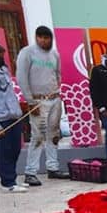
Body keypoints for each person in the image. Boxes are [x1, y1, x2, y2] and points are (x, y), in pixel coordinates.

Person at [18, 25, 69, 184]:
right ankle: (30, 172)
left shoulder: (55, 54)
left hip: (55, 99)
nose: (44, 40)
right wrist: (30, 101)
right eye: (40, 37)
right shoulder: (27, 52)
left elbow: (58, 74)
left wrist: (57, 91)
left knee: (53, 134)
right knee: (38, 135)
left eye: (47, 38)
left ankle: (52, 168)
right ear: (36, 37)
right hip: (37, 101)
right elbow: (22, 77)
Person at [0, 43, 27, 192]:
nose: (1, 56)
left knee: (15, 149)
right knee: (4, 152)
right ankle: (8, 183)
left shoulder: (4, 70)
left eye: (1, 53)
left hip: (14, 116)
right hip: (1, 120)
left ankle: (12, 178)